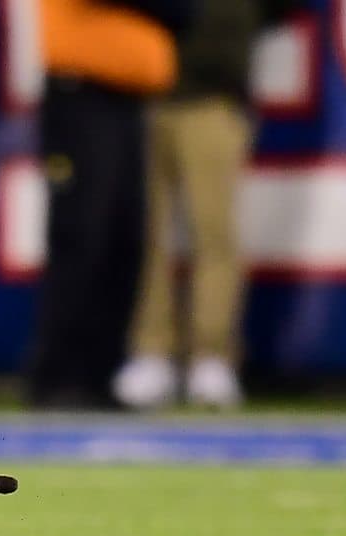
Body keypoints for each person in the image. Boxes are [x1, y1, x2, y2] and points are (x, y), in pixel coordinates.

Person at [115, 0, 296, 410]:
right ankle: (151, 351)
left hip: (216, 97)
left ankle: (211, 355)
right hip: (141, 92)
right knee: (147, 234)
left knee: (215, 233)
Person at [26, 0, 190, 409]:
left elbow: (189, 12)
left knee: (124, 241)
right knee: (83, 235)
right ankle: (58, 377)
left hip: (128, 99)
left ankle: (99, 376)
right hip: (79, 93)